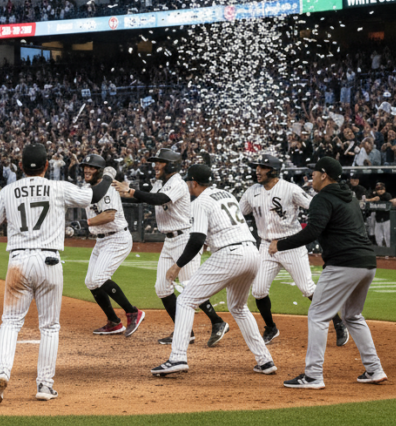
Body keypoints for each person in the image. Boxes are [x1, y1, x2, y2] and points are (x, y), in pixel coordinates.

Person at [0, 144, 115, 405]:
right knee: (49, 326)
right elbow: (93, 196)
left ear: (21, 167)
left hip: (19, 262)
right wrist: (110, 177)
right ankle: (45, 385)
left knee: (10, 323)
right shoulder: (58, 187)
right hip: (49, 261)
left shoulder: (8, 190)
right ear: (47, 166)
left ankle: (1, 373)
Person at [270, 157, 386, 389]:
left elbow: (313, 231)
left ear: (324, 175)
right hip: (367, 263)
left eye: (313, 173)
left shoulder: (322, 198)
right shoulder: (349, 197)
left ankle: (313, 376)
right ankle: (374, 369)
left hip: (344, 263)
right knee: (352, 316)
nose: (310, 176)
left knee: (318, 315)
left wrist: (280, 244)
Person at [150, 164, 276, 377]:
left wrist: (177, 265)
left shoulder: (200, 202)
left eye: (189, 182)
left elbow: (197, 239)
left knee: (185, 300)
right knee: (238, 307)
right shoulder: (226, 194)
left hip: (230, 254)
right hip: (252, 253)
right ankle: (265, 360)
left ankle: (177, 357)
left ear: (194, 183)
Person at [112, 148, 228, 346]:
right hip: (169, 240)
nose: (155, 165)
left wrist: (130, 191)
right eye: (155, 161)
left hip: (184, 238)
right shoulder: (161, 183)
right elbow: (147, 196)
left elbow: (160, 199)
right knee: (162, 287)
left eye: (160, 162)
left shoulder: (178, 183)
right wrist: (125, 190)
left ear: (171, 164)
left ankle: (218, 322)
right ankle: (186, 332)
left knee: (190, 286)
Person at [239, 154, 348, 347]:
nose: (257, 170)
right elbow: (239, 213)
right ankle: (271, 328)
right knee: (258, 290)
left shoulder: (290, 189)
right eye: (257, 167)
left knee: (307, 288)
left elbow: (314, 205)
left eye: (262, 167)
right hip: (266, 245)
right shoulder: (251, 192)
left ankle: (338, 323)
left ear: (273, 170)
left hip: (292, 244)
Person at [77, 154, 145, 337]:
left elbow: (109, 215)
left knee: (99, 278)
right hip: (101, 240)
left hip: (117, 238)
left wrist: (86, 224)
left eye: (92, 167)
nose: (87, 169)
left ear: (100, 171)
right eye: (85, 166)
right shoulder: (86, 188)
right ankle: (114, 322)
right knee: (91, 282)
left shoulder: (109, 188)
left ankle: (133, 312)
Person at [367, 182, 392, 247]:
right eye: (378, 189)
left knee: (388, 238)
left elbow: (384, 199)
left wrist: (374, 199)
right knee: (378, 238)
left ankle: (390, 253)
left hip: (387, 219)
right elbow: (366, 200)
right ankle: (382, 254)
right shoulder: (374, 196)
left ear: (384, 189)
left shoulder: (387, 195)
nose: (380, 191)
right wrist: (371, 199)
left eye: (381, 189)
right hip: (378, 219)